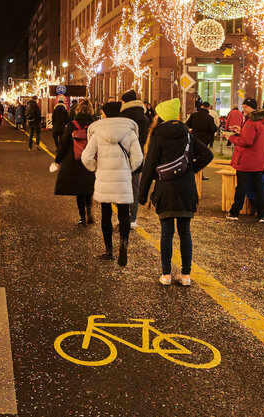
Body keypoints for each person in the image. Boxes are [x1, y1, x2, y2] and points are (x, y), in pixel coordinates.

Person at [139, 98, 213, 286]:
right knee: (185, 232)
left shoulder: (158, 136)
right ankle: (186, 275)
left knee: (166, 232)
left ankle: (166, 275)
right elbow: (207, 155)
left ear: (161, 117)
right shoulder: (188, 135)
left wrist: (142, 194)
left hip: (165, 189)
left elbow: (149, 168)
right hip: (186, 189)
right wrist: (191, 169)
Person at [82, 101, 143, 267]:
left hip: (104, 178)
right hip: (122, 178)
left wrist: (95, 168)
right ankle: (123, 243)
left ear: (104, 113)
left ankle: (109, 250)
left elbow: (86, 157)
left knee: (106, 213)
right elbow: (138, 157)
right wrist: (127, 168)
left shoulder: (97, 132)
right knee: (124, 214)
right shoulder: (129, 132)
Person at [223, 97, 264, 223]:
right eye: (243, 106)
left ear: (253, 108)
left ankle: (234, 212)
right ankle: (263, 214)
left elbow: (246, 142)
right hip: (258, 159)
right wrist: (241, 131)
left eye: (246, 107)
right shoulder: (262, 121)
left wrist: (231, 137)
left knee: (241, 188)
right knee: (258, 187)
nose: (243, 109)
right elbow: (253, 137)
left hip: (246, 159)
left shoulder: (251, 122)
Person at [52, 99, 96, 227]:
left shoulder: (72, 125)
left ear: (77, 110)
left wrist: (58, 160)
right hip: (90, 161)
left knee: (79, 191)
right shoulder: (94, 125)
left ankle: (82, 217)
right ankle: (90, 213)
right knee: (88, 188)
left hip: (75, 162)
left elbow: (64, 144)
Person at [118, 90, 150, 229]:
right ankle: (132, 219)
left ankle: (123, 218)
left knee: (121, 189)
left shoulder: (121, 118)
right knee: (134, 187)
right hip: (137, 155)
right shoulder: (144, 119)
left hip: (121, 157)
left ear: (125, 102)